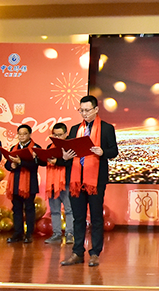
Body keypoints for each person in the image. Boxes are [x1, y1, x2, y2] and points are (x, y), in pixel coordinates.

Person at [61, 96, 118, 267]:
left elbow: (114, 151)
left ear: (96, 109)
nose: (84, 113)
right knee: (78, 217)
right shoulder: (74, 129)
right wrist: (64, 157)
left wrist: (102, 152)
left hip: (96, 180)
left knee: (96, 217)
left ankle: (95, 253)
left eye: (87, 110)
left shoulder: (106, 128)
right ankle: (77, 252)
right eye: (81, 110)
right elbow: (68, 153)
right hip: (76, 180)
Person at [5, 124, 42, 243]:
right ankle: (18, 233)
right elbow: (7, 164)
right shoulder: (13, 148)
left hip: (29, 183)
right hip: (15, 183)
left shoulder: (36, 147)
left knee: (29, 209)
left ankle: (29, 234)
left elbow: (36, 165)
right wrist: (11, 165)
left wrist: (21, 162)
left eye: (24, 134)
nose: (21, 136)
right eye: (19, 134)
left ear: (30, 134)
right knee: (16, 209)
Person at [44, 122, 74, 245]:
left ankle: (70, 233)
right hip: (52, 183)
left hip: (66, 182)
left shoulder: (71, 146)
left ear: (66, 134)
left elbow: (72, 163)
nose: (57, 137)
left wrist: (58, 161)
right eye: (55, 135)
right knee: (55, 210)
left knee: (69, 210)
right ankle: (56, 233)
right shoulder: (49, 146)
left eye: (60, 135)